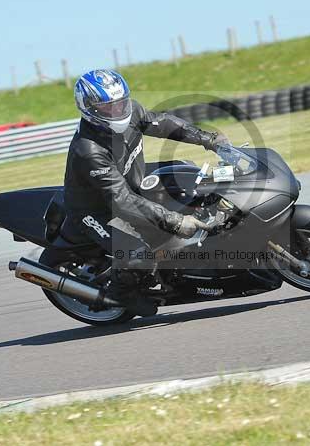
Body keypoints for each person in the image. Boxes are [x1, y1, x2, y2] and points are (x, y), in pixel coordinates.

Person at [62, 69, 228, 302]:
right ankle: (116, 297)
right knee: (138, 256)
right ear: (89, 109)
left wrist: (206, 138)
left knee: (186, 175)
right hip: (97, 209)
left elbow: (163, 124)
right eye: (108, 107)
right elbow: (120, 201)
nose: (117, 111)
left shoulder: (131, 111)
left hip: (130, 182)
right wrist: (177, 222)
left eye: (120, 104)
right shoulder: (89, 150)